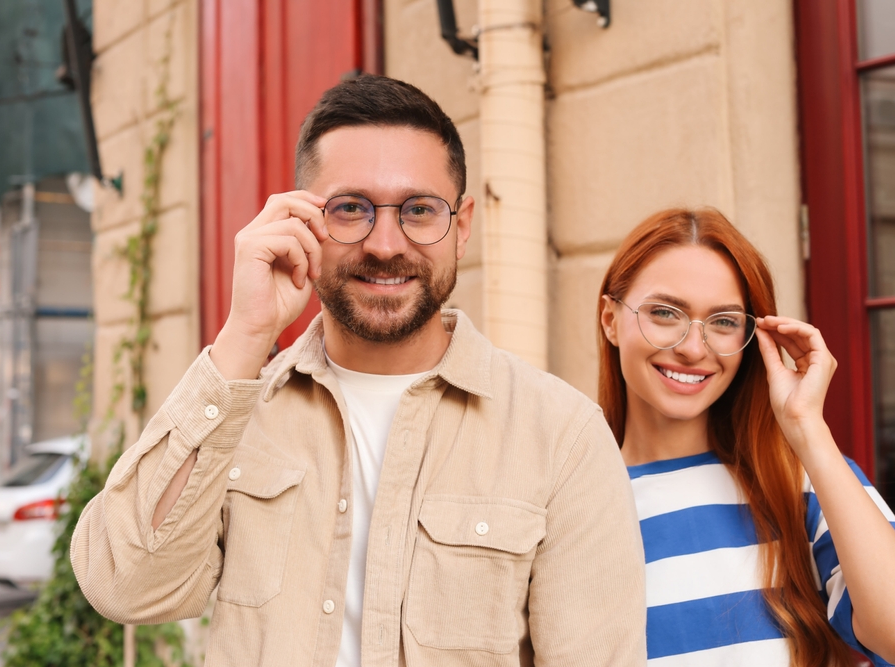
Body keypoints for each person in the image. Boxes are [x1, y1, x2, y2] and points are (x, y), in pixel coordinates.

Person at [71, 75, 646, 666]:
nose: (386, 243)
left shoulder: (562, 434)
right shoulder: (238, 412)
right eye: (351, 209)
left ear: (462, 225)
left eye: (419, 210)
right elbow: (124, 583)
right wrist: (245, 337)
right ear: (301, 221)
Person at [596, 208, 895, 666]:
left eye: (723, 321)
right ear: (610, 319)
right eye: (665, 313)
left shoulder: (799, 480)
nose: (693, 348)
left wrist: (806, 427)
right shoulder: (575, 498)